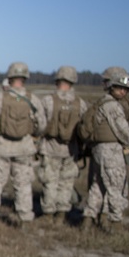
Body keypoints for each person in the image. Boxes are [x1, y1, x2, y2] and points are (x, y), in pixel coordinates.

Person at [0, 62, 47, 225]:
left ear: (9, 77)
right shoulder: (33, 100)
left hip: (1, 147)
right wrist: (31, 135)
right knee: (23, 185)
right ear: (25, 78)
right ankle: (25, 219)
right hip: (24, 148)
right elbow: (42, 125)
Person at [79, 69, 129, 232]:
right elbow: (122, 130)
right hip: (111, 152)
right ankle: (116, 225)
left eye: (125, 89)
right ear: (112, 86)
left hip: (98, 151)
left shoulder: (101, 103)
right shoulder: (113, 106)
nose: (123, 92)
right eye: (120, 88)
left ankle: (88, 220)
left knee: (97, 186)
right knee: (115, 187)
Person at [37, 65, 87, 222]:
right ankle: (61, 215)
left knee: (50, 182)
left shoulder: (48, 101)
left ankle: (48, 214)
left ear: (57, 80)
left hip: (50, 148)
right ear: (73, 81)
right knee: (66, 183)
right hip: (71, 150)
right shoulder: (81, 103)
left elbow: (40, 125)